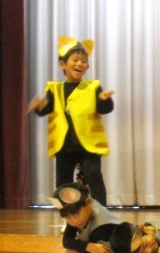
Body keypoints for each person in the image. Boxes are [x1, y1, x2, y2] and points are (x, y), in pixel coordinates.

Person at [27, 36, 114, 206]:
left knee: (94, 176)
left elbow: (105, 109)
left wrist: (104, 99)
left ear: (87, 67)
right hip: (64, 145)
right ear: (62, 64)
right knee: (63, 183)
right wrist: (39, 106)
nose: (80, 64)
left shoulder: (93, 87)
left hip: (88, 145)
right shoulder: (55, 89)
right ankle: (67, 214)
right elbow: (45, 109)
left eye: (84, 61)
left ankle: (102, 214)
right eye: (75, 60)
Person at [48, 182, 120, 253]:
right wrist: (89, 246)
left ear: (88, 202)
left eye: (77, 213)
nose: (74, 220)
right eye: (68, 217)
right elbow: (66, 241)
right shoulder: (76, 217)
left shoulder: (101, 222)